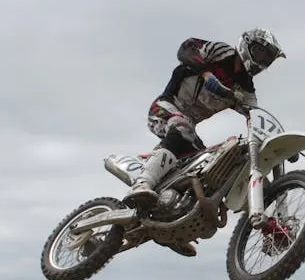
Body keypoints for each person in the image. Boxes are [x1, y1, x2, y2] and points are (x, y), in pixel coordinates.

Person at [122, 28, 287, 257]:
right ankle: (143, 183)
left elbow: (255, 115)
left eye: (266, 60)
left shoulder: (246, 88)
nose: (261, 62)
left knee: (207, 171)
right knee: (182, 126)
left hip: (188, 129)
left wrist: (275, 140)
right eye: (259, 53)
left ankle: (173, 228)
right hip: (164, 110)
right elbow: (186, 48)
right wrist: (207, 74)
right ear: (247, 45)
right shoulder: (222, 52)